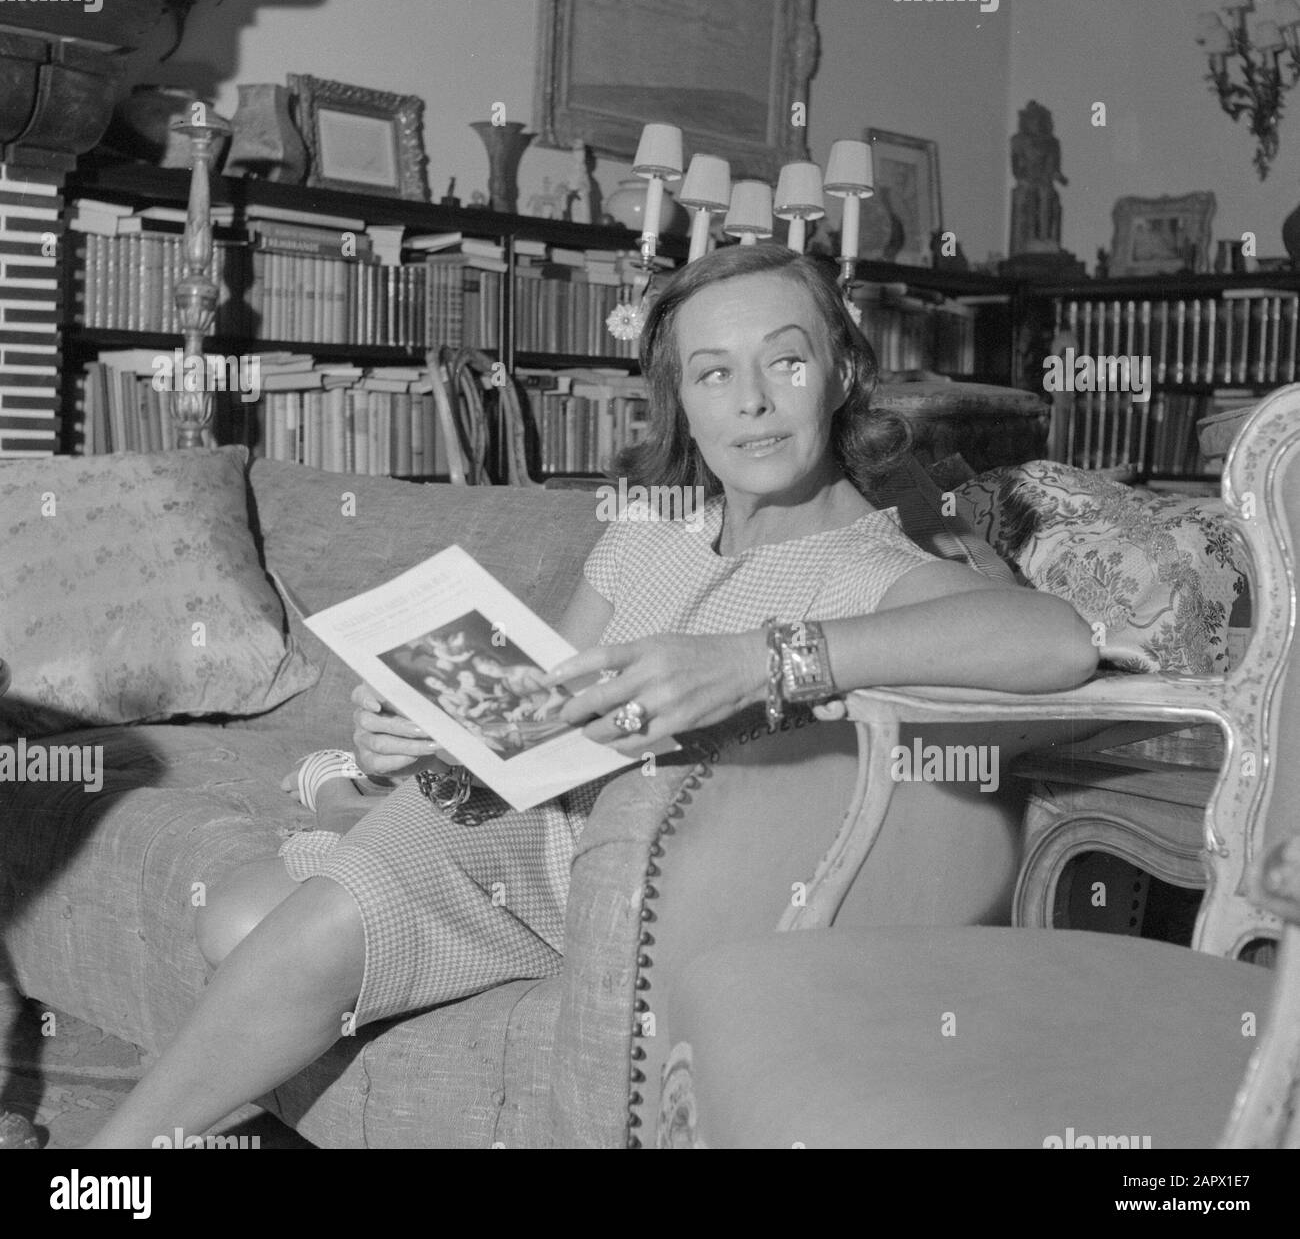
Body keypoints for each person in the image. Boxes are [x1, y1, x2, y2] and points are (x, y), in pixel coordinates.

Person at [89, 243, 1097, 1147]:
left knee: (288, 937)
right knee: (239, 917)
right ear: (682, 402)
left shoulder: (871, 566)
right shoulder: (640, 544)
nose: (750, 400)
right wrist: (408, 735)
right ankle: (341, 854)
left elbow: (1054, 641)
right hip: (512, 821)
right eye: (713, 373)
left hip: (621, 877)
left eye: (784, 361)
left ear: (839, 372)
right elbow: (531, 712)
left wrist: (765, 660)